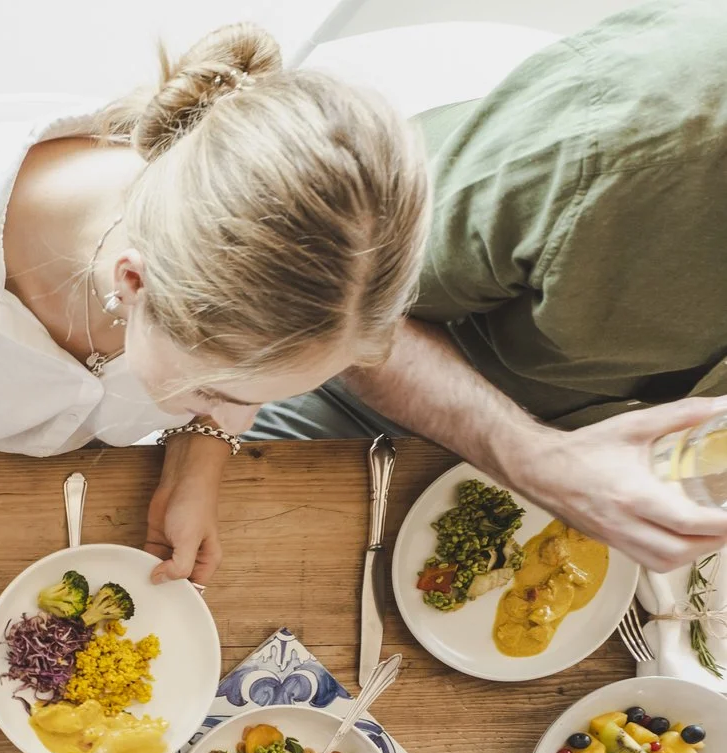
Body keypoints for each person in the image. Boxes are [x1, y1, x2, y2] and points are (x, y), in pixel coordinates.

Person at [0, 23, 427, 585]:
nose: (237, 412)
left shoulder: (231, 305)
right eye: (211, 390)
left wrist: (200, 457)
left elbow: (235, 391)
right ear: (133, 284)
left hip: (51, 487)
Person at [251, 0, 727, 571]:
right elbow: (332, 320)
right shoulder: (623, 145)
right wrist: (539, 461)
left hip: (605, 483)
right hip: (361, 395)